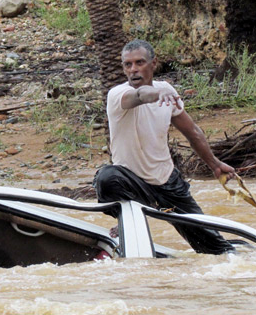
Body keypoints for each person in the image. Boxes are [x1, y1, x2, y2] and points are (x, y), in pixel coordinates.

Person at [93, 39, 236, 255]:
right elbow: (140, 95)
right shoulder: (118, 95)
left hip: (167, 181)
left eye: (139, 63)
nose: (133, 70)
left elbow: (193, 132)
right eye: (127, 64)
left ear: (153, 64)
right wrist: (157, 94)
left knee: (217, 248)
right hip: (132, 183)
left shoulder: (166, 90)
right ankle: (128, 219)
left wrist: (214, 164)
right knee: (106, 178)